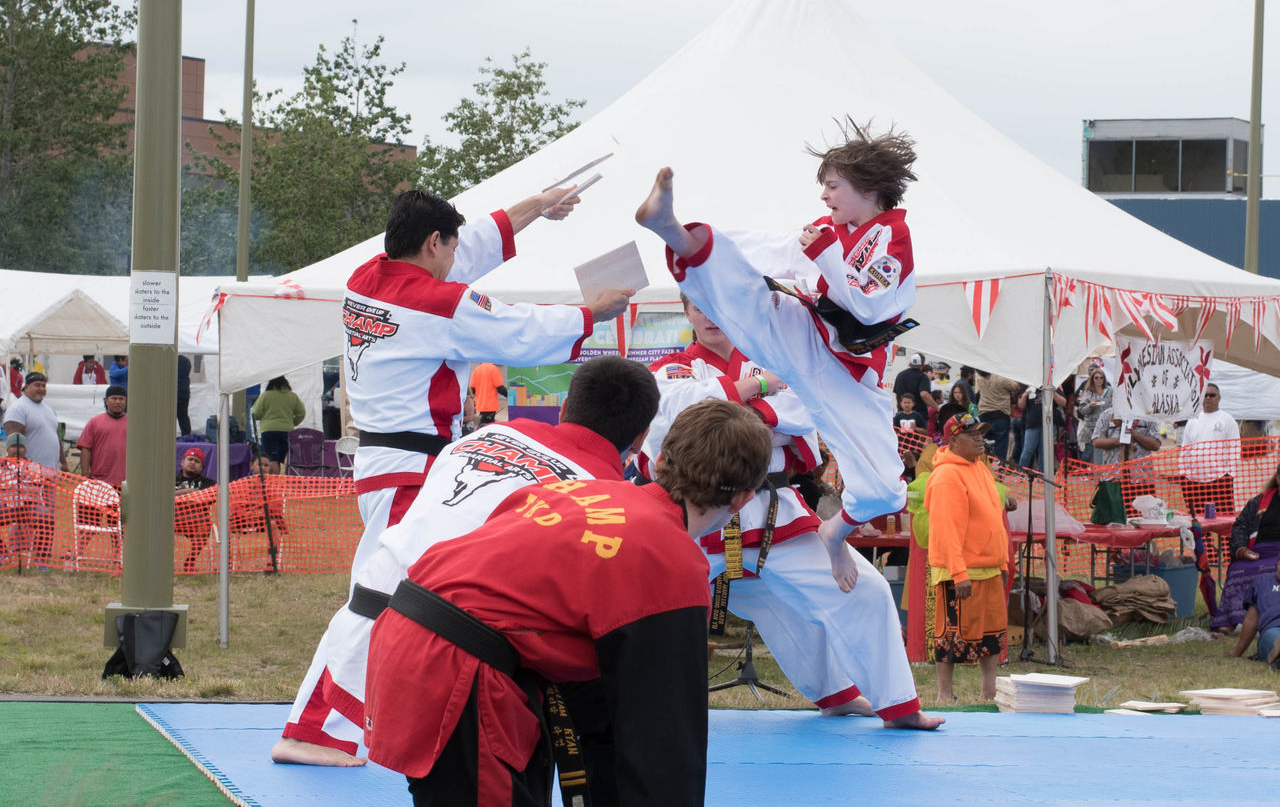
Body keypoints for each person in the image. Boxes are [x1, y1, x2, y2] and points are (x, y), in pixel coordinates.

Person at [363, 398, 771, 807]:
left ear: (661, 458)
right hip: (458, 667)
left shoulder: (575, 492)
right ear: (744, 499)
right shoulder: (671, 561)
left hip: (407, 635)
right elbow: (663, 733)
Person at [273, 341, 647, 768]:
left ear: (564, 410)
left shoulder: (492, 433)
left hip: (380, 585)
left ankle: (309, 733)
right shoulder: (603, 493)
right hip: (453, 626)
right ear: (640, 438)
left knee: (386, 585)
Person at [635, 121, 919, 593]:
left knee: (885, 490)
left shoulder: (894, 237)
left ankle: (835, 533)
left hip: (847, 373)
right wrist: (694, 240)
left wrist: (827, 255)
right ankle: (675, 232)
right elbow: (778, 251)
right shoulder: (832, 229)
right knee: (749, 302)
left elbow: (873, 305)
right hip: (807, 330)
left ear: (868, 189)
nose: (825, 198)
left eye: (832, 187)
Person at [639, 296, 942, 729]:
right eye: (698, 307)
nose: (708, 314)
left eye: (715, 303)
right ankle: (639, 711)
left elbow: (805, 411)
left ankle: (893, 704)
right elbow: (670, 416)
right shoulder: (673, 368)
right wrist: (761, 396)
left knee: (862, 591)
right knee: (654, 611)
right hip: (694, 512)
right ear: (686, 312)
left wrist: (726, 414)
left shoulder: (772, 356)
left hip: (770, 512)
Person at [924, 414, 1011, 702]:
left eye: (980, 433)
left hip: (986, 566)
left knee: (991, 636)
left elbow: (992, 519)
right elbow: (946, 529)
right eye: (970, 433)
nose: (978, 438)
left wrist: (1002, 563)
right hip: (960, 571)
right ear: (952, 441)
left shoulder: (980, 468)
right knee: (951, 635)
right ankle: (944, 696)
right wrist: (958, 573)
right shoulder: (946, 476)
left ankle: (989, 693)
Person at [1212, 463, 1280, 632]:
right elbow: (1240, 526)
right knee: (1239, 568)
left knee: (1270, 568)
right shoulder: (1258, 502)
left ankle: (1268, 621)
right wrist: (1242, 550)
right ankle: (1228, 622)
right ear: (1278, 479)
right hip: (1259, 552)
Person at [1178, 383, 1240, 515]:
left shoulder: (1227, 420)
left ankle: (1226, 537)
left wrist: (1229, 474)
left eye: (1212, 395)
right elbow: (1185, 449)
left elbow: (1234, 448)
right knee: (1198, 520)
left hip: (1220, 479)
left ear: (1219, 398)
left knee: (1224, 519)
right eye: (1205, 395)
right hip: (1193, 480)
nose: (1208, 398)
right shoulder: (1192, 421)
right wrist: (1183, 472)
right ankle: (1204, 537)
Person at [1091, 407, 1162, 513]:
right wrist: (1117, 441)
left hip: (1142, 479)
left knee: (1142, 519)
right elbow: (1096, 441)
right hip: (1113, 479)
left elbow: (1156, 444)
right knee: (1114, 520)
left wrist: (1136, 436)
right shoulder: (1108, 414)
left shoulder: (1147, 415)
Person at [0, 433, 56, 568]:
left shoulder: (33, 466)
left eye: (20, 447)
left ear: (25, 449)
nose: (17, 450)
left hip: (30, 507)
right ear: (8, 449)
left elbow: (39, 487)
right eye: (13, 446)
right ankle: (3, 553)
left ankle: (41, 558)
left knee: (47, 518)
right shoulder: (1, 466)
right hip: (7, 506)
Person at [3, 372, 66, 473]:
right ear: (26, 387)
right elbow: (14, 445)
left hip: (51, 473)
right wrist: (19, 471)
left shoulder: (49, 409)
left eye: (43, 386)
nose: (41, 388)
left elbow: (56, 437)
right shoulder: (17, 408)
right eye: (37, 385)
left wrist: (64, 462)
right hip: (29, 476)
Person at [1227, 559, 1280, 667]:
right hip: (1273, 630)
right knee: (1274, 640)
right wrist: (1237, 652)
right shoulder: (1262, 581)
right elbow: (1251, 619)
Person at [76, 385, 128, 487]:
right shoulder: (94, 422)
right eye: (114, 398)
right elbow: (86, 449)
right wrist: (85, 476)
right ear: (106, 401)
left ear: (126, 402)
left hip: (127, 483)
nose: (117, 402)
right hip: (100, 482)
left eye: (121, 399)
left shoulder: (134, 424)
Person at [251, 376, 306, 469]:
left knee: (272, 458)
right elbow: (302, 413)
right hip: (287, 431)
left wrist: (263, 417)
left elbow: (255, 413)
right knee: (283, 458)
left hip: (269, 431)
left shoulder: (266, 395)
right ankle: (281, 479)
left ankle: (274, 481)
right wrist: (293, 422)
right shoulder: (292, 396)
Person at [1017, 385, 1066, 474]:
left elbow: (1063, 402)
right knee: (1028, 450)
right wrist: (1025, 395)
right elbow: (1021, 405)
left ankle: (1041, 475)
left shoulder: (1053, 385)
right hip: (1032, 424)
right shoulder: (1029, 384)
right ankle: (1021, 473)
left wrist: (1053, 392)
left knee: (1044, 452)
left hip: (1049, 424)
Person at [974, 370, 1021, 462]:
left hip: (983, 414)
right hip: (1000, 414)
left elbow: (977, 392)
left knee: (985, 444)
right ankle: (999, 468)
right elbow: (1016, 386)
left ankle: (986, 465)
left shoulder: (979, 378)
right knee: (1001, 444)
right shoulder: (1000, 378)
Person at [1074, 368, 1112, 464]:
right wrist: (1090, 406)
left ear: (1104, 379)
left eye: (1101, 378)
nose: (1099, 380)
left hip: (1107, 427)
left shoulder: (1110, 391)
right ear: (1092, 379)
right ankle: (1083, 473)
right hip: (1091, 427)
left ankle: (1102, 473)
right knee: (1088, 452)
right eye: (1096, 378)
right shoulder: (1088, 392)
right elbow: (1081, 410)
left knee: (1106, 452)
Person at [176, 354, 192, 436]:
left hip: (174, 393)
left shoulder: (173, 361)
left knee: (169, 418)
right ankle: (186, 435)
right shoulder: (186, 361)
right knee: (183, 416)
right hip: (184, 393)